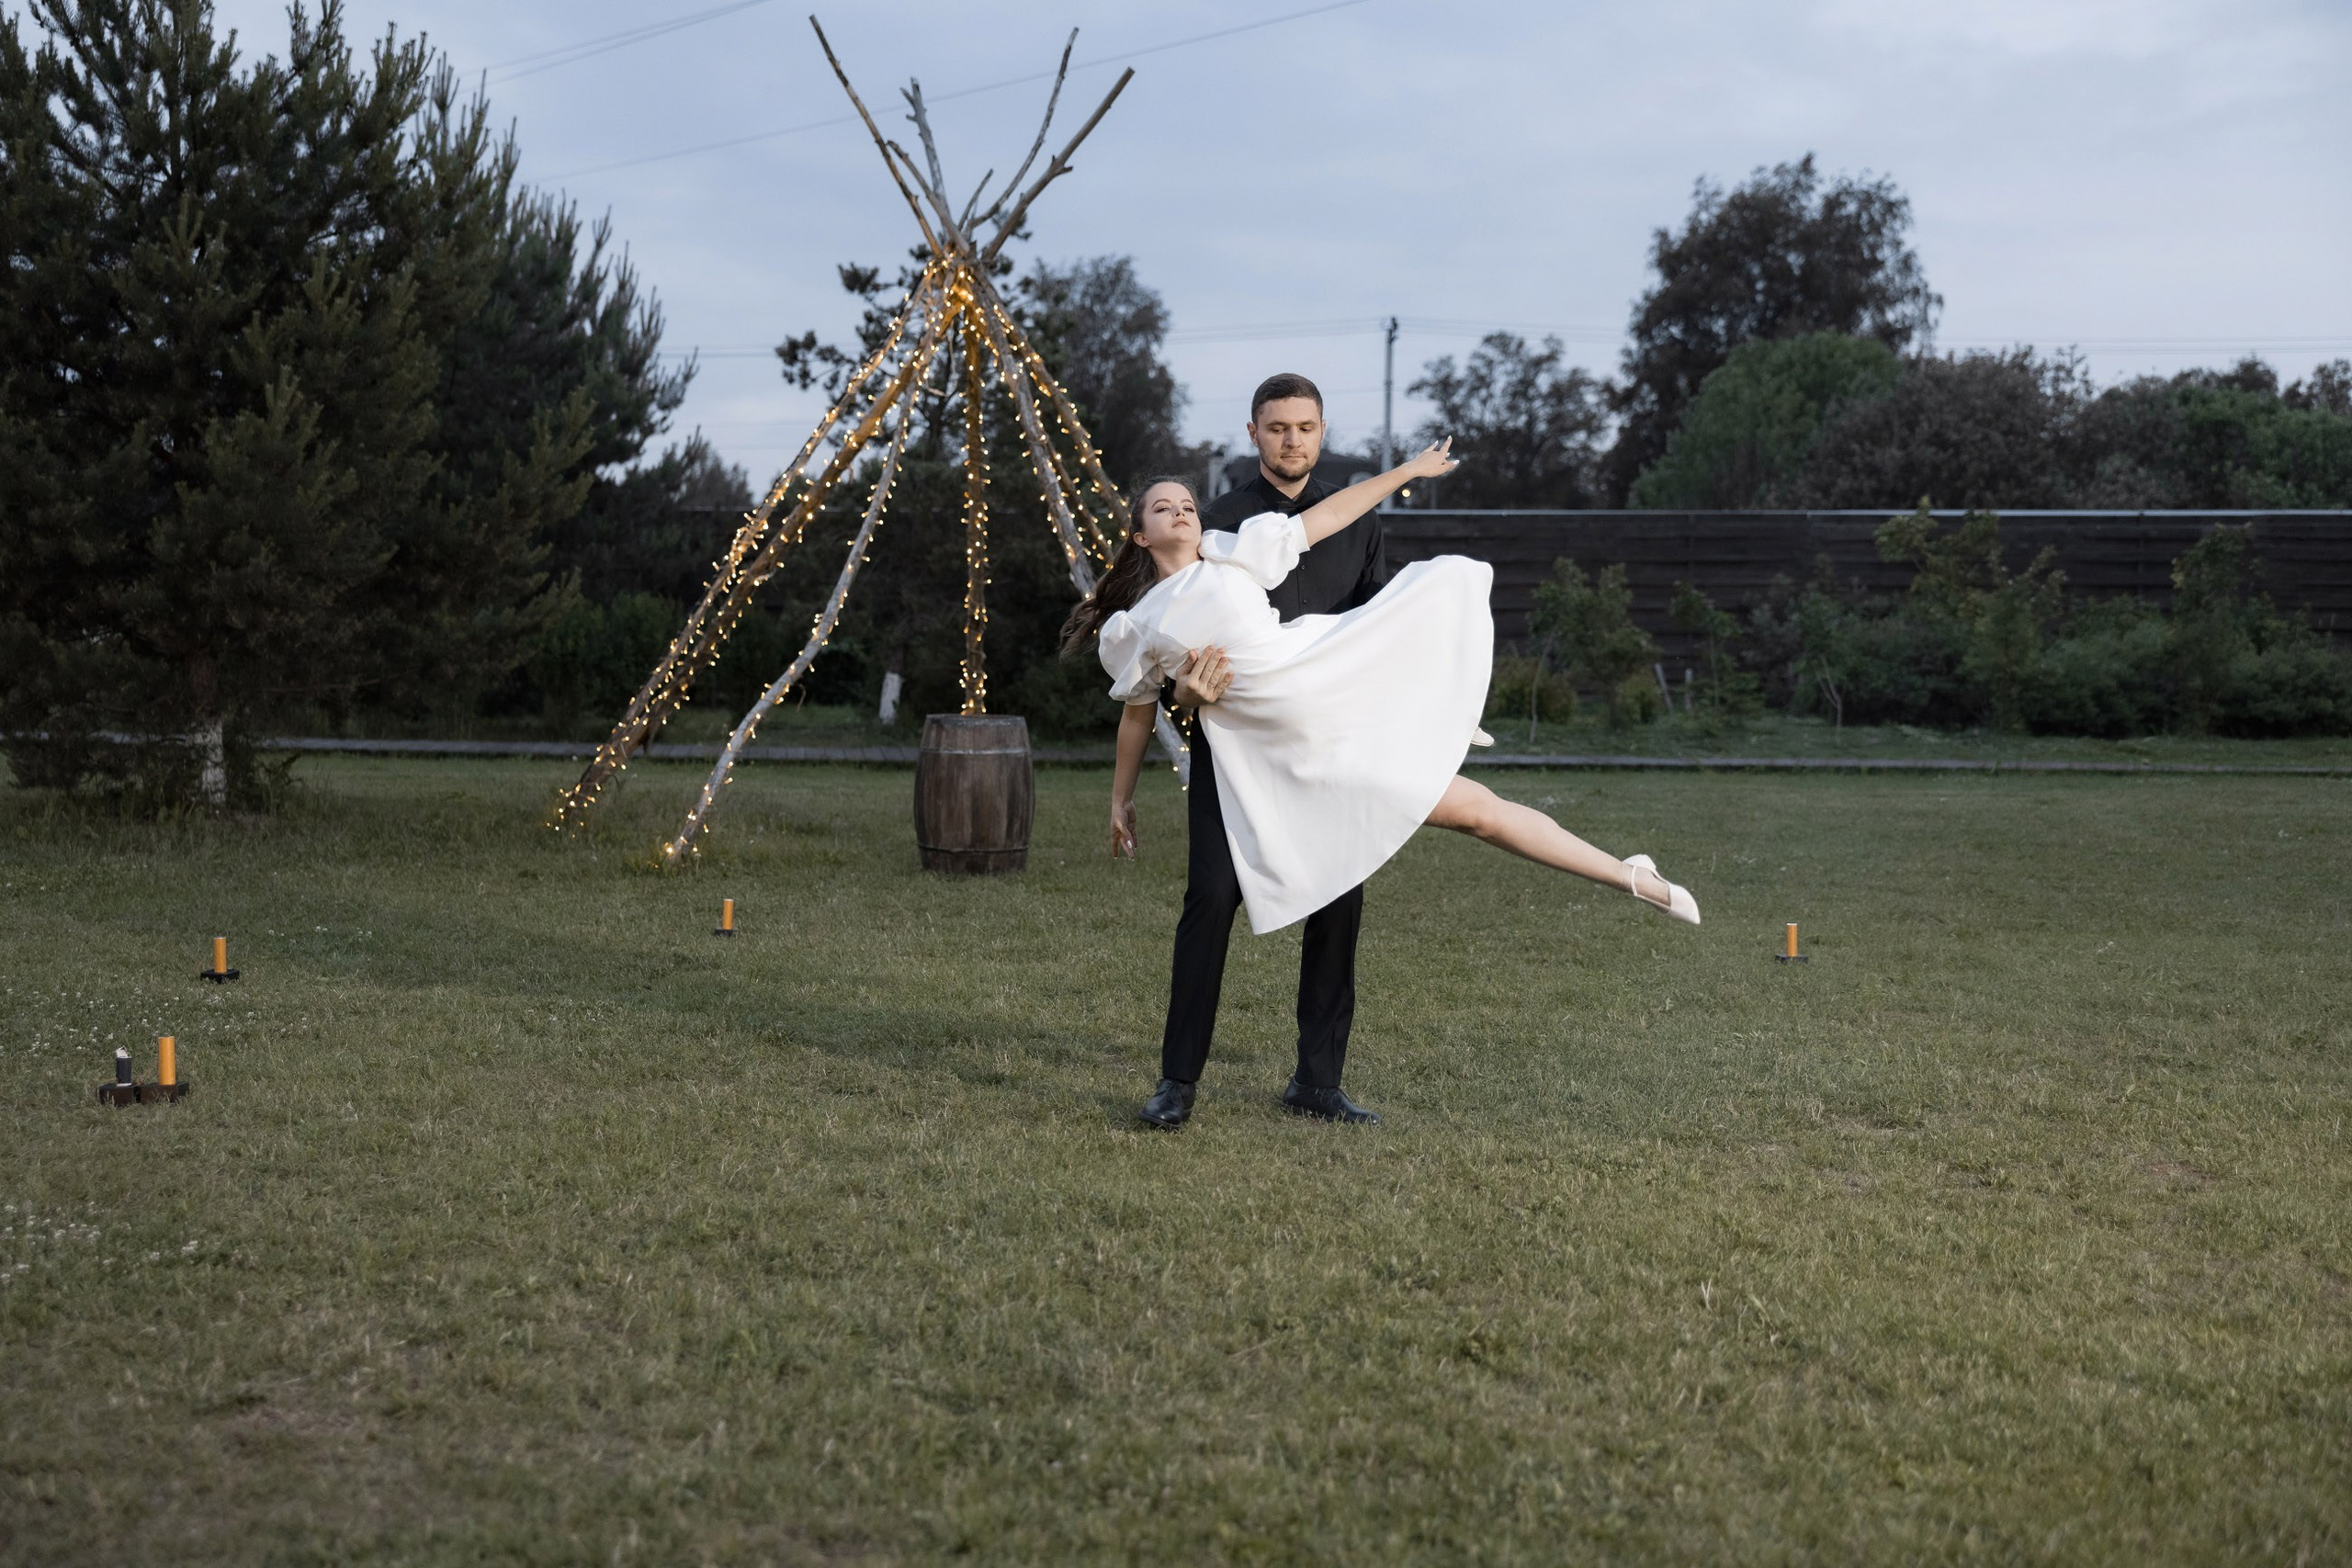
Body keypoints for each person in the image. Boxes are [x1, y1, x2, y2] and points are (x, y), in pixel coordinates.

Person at [1064, 434, 1701, 1134]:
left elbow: (1332, 515)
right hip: (1265, 761)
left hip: (1338, 718)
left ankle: (1629, 875)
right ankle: (1176, 1085)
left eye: (1188, 503)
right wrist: (1122, 796)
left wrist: (1408, 470)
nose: (1183, 512)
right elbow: (1137, 713)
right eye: (1165, 507)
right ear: (1139, 531)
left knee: (1476, 813)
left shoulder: (1236, 550)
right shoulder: (1139, 622)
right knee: (1210, 902)